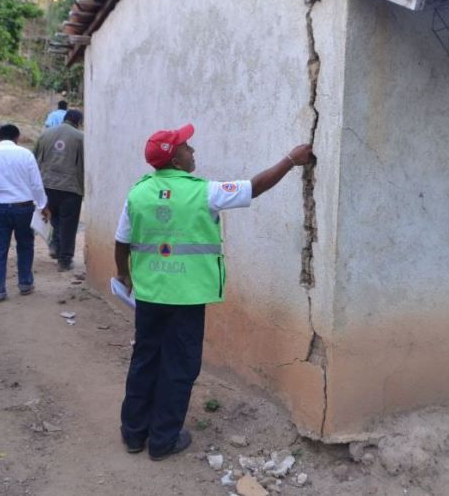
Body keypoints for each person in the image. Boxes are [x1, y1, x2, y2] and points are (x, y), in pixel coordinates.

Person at [113, 123, 312, 460]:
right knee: (178, 368)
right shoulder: (203, 192)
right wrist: (291, 160)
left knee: (144, 360)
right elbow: (255, 187)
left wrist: (123, 275)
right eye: (187, 147)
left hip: (148, 296)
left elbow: (122, 241)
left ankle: (134, 434)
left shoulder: (138, 193)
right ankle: (162, 440)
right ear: (176, 160)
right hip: (187, 299)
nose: (193, 151)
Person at [0, 124, 50, 302]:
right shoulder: (26, 154)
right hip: (24, 208)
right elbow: (36, 183)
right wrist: (43, 204)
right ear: (17, 137)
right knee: (25, 246)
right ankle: (25, 284)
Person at [34, 109, 84, 271]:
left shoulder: (45, 135)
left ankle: (55, 244)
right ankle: (64, 260)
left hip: (47, 185)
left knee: (53, 218)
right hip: (70, 188)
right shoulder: (80, 138)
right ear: (78, 122)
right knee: (68, 224)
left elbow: (35, 160)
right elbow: (83, 164)